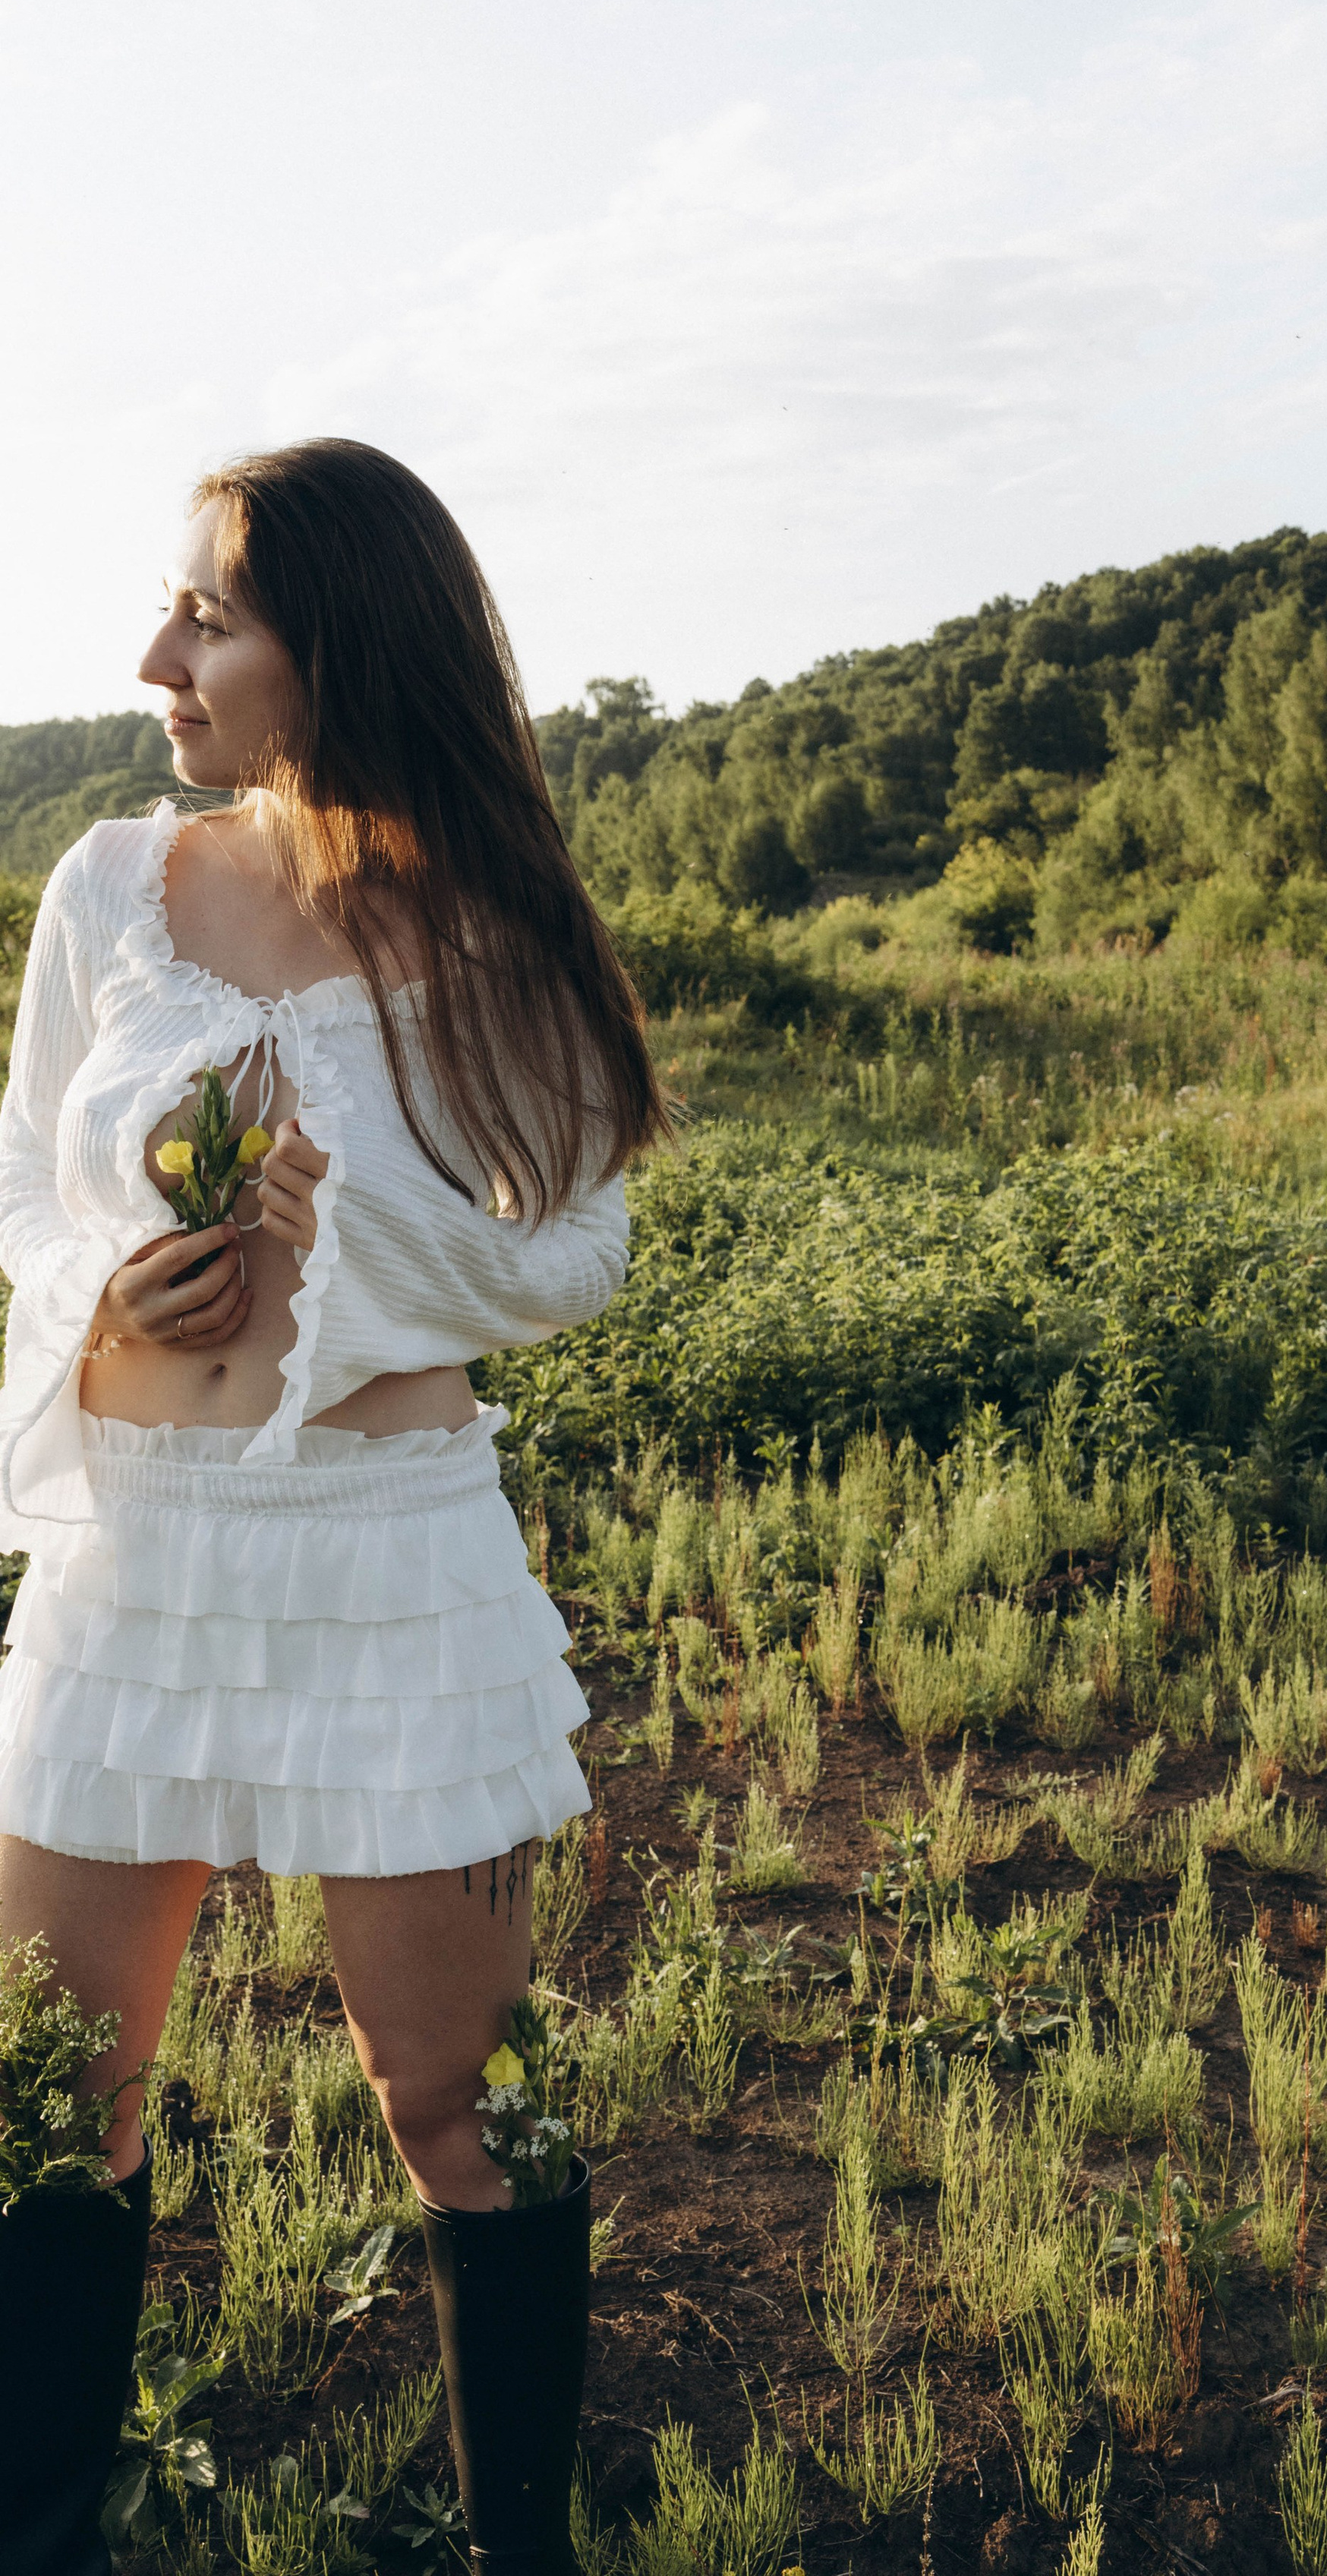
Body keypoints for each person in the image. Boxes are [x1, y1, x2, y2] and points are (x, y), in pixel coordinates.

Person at [0, 440, 665, 2576]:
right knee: (45, 2103)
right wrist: (107, 1286)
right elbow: (18, 1188)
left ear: (337, 651)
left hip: (389, 1559)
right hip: (133, 1554)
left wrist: (348, 1230)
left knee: (463, 2110)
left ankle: (518, 2554)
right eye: (178, 609)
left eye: (211, 615)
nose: (157, 652)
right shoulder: (112, 885)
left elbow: (575, 1256)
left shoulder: (490, 925)